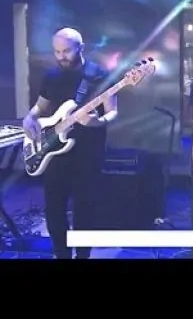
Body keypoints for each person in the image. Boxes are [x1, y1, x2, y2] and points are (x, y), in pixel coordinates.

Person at [22, 28, 117, 259]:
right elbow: (40, 106)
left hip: (88, 153)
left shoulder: (98, 75)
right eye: (57, 51)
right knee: (54, 209)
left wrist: (97, 121)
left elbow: (112, 111)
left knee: (85, 209)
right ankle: (61, 254)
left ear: (81, 48)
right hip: (54, 152)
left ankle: (83, 255)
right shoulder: (52, 76)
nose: (61, 56)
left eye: (66, 51)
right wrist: (29, 117)